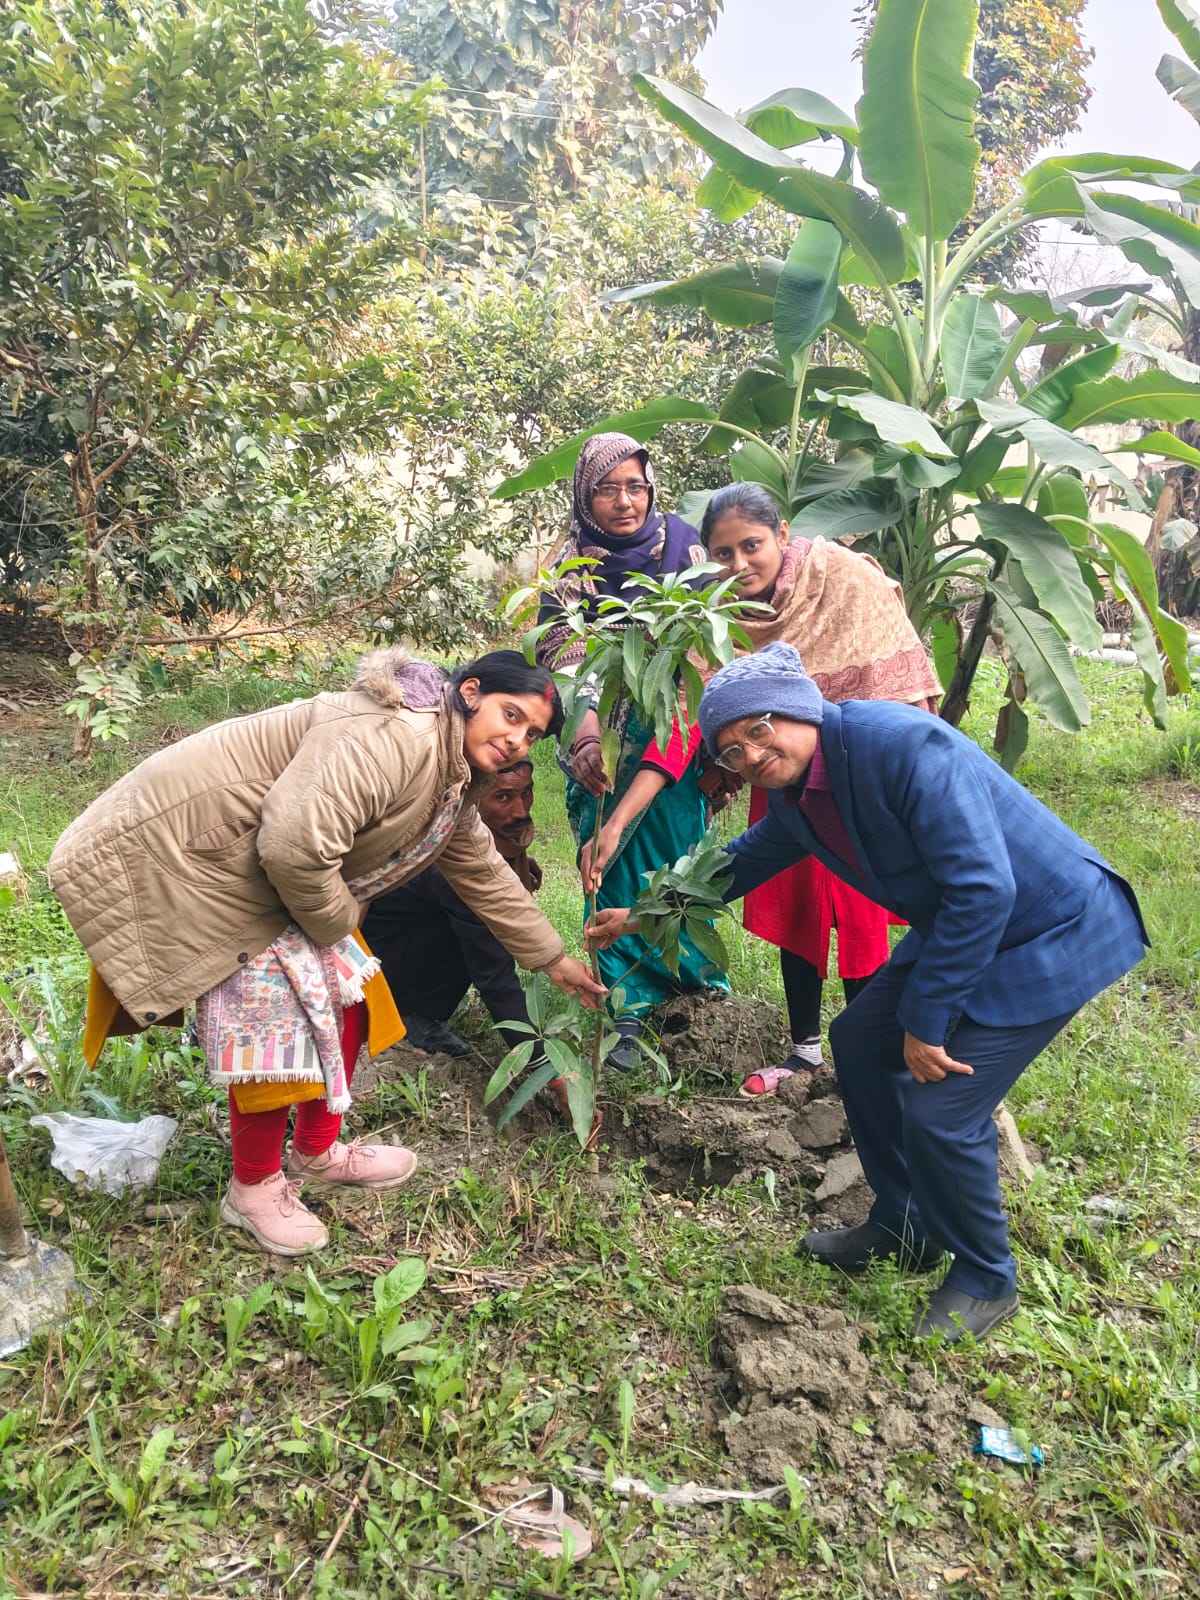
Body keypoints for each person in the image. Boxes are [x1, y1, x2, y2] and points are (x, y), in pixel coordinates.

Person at [589, 643, 1148, 1340]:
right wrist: (646, 913)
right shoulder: (799, 792)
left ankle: (986, 1277)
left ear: (797, 709)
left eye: (759, 730)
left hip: (1054, 927)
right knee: (857, 1040)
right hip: (968, 922)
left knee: (942, 1110)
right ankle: (905, 1223)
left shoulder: (899, 746)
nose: (752, 755)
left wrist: (926, 1019)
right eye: (732, 751)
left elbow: (984, 889)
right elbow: (742, 860)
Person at [50, 649, 604, 1257]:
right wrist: (338, 924)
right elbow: (293, 846)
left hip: (259, 864)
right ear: (469, 693)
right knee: (276, 1019)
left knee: (353, 996)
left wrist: (553, 959)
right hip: (189, 854)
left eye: (532, 734)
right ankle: (253, 1187)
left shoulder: (449, 767)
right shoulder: (396, 736)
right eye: (511, 715)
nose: (518, 740)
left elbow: (483, 870)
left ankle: (314, 1152)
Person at [698, 483, 940, 1095]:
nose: (739, 564)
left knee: (860, 911)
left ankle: (874, 1051)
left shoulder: (842, 575)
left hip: (856, 776)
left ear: (782, 534)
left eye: (751, 545)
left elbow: (896, 672)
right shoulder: (714, 611)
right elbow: (706, 697)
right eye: (723, 553)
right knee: (799, 910)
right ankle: (804, 1050)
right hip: (775, 772)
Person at [535, 431, 727, 1072]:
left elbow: (693, 674)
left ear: (652, 488)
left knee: (674, 859)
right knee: (606, 867)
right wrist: (587, 731)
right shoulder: (569, 567)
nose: (625, 502)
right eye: (607, 489)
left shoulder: (685, 550)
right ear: (584, 496)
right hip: (595, 741)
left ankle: (695, 991)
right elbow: (564, 658)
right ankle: (624, 1006)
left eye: (636, 487)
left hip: (674, 735)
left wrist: (624, 813)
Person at [363, 757, 542, 1058]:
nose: (521, 810)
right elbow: (495, 976)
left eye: (526, 792)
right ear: (473, 799)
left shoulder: (443, 819)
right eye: (503, 797)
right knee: (482, 925)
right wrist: (541, 1061)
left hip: (395, 941)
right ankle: (408, 1012)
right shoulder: (452, 868)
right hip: (376, 967)